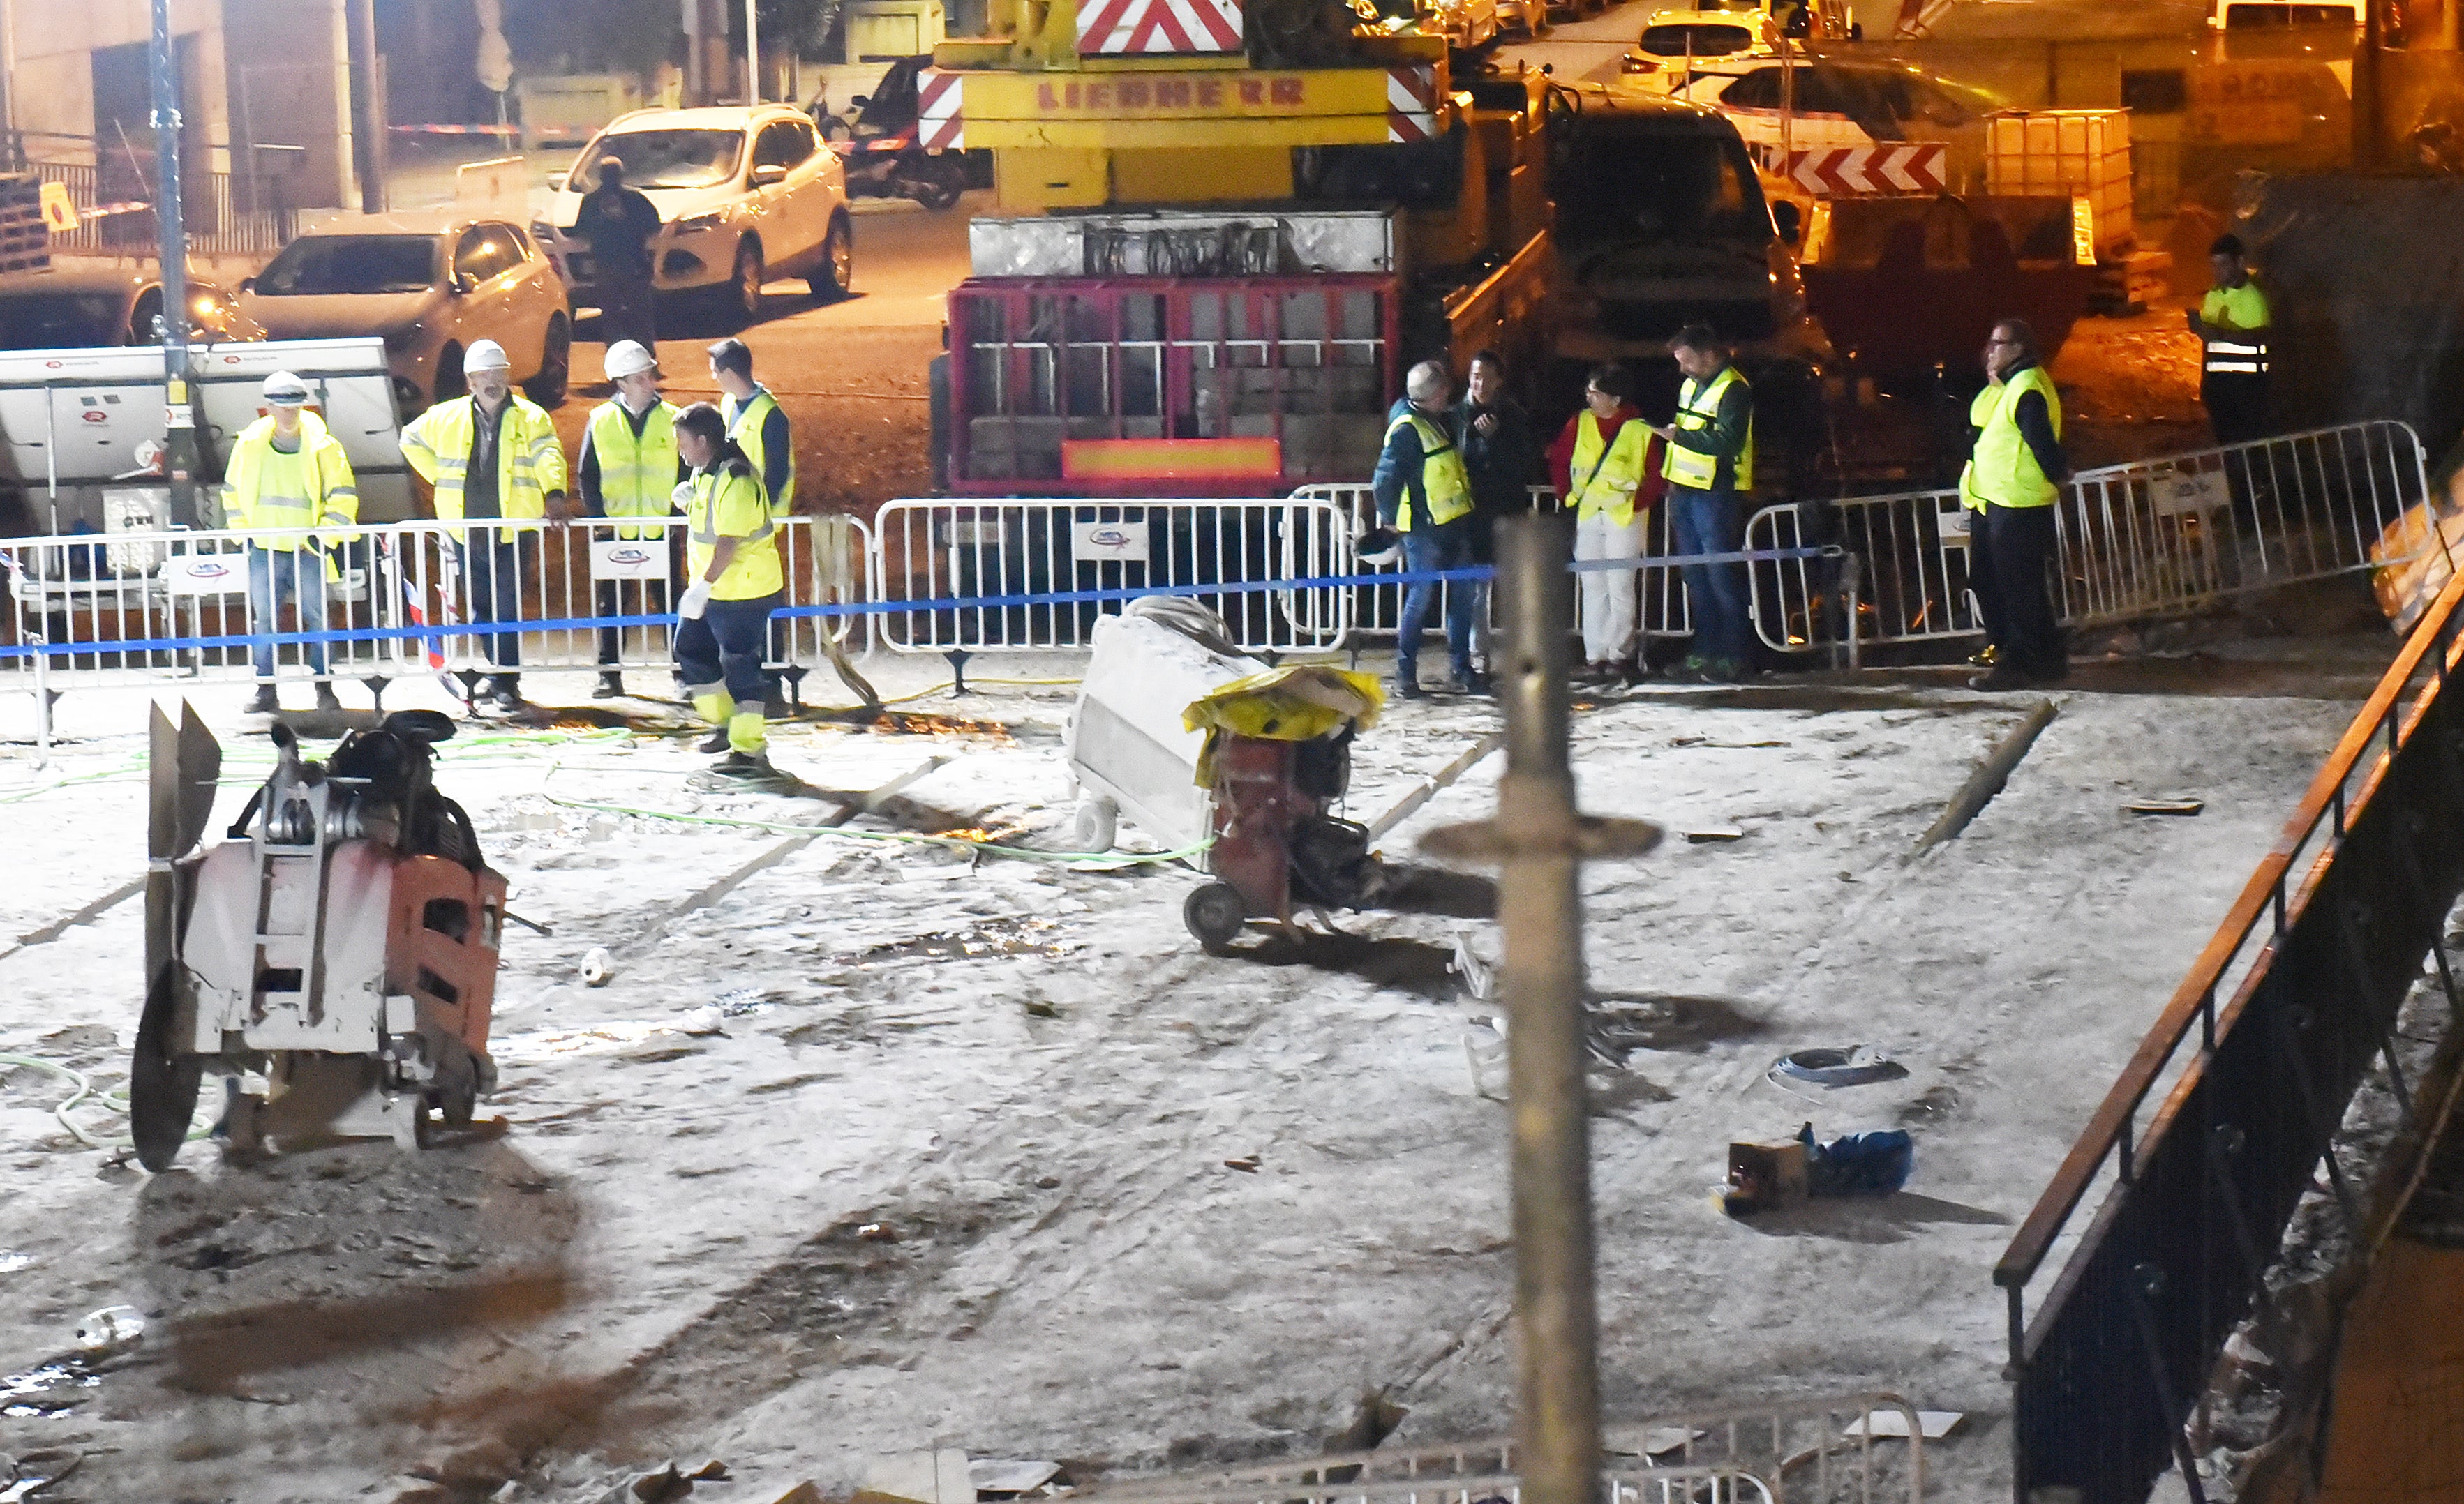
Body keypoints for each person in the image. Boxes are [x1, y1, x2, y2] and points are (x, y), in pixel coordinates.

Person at [400, 338, 572, 711]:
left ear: (507, 376)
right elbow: (409, 437)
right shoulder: (447, 416)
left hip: (511, 527)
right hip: (468, 529)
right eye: (484, 375)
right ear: (470, 380)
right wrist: (440, 476)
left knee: (506, 605)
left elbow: (548, 453)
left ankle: (505, 680)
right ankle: (498, 675)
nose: (492, 381)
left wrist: (554, 492)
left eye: (498, 373)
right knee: (481, 607)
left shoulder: (531, 417)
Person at [222, 370, 359, 715]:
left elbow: (342, 496)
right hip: (266, 549)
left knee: (317, 619)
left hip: (307, 550)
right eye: (282, 407)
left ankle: (324, 689)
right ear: (267, 407)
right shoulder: (249, 445)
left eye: (294, 406)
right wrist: (245, 536)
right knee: (266, 621)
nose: (288, 413)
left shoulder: (324, 446)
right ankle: (266, 690)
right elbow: (232, 492)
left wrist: (320, 538)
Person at [671, 403, 786, 779]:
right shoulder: (710, 472)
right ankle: (728, 727)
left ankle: (749, 751)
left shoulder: (735, 479)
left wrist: (703, 586)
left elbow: (728, 542)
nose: (679, 449)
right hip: (721, 590)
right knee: (690, 650)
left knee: (739, 666)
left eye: (682, 441)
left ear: (703, 441)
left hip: (742, 591)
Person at [1962, 317, 2071, 689]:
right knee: (2007, 583)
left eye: (1999, 343)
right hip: (2002, 500)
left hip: (2017, 502)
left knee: (2016, 588)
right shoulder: (2013, 385)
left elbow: (2042, 442)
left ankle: (2020, 662)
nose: (1990, 349)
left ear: (2019, 349)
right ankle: (2046, 658)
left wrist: (2058, 475)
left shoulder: (2026, 387)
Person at [1646, 325, 1756, 682]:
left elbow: (1728, 442)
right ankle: (1707, 652)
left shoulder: (1735, 390)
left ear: (1709, 356)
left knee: (1721, 577)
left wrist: (1682, 437)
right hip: (1685, 492)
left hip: (1715, 494)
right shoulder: (1692, 385)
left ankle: (1734, 656)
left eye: (1687, 361)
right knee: (1697, 578)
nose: (1682, 370)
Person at [575, 339, 682, 698]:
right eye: (639, 379)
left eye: (649, 376)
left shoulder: (672, 418)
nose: (648, 383)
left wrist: (679, 515)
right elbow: (587, 474)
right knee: (612, 604)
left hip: (660, 529)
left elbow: (687, 470)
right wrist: (599, 520)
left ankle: (684, 674)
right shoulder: (601, 420)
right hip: (615, 530)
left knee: (670, 603)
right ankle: (609, 674)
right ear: (620, 382)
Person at [1371, 360, 1479, 699]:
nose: (1449, 393)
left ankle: (1460, 668)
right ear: (1434, 394)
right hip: (1425, 530)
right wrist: (1389, 519)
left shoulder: (1430, 420)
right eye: (1444, 389)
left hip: (1451, 524)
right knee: (1421, 599)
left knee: (1461, 598)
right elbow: (1385, 480)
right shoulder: (1407, 429)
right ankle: (1407, 673)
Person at [1548, 363, 1661, 683]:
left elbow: (1654, 474)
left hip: (1624, 516)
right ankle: (1595, 654)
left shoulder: (1639, 429)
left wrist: (1637, 503)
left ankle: (1620, 654)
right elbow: (1559, 460)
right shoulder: (1578, 423)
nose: (1589, 397)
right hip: (1588, 515)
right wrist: (1566, 494)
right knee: (1593, 586)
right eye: (1589, 391)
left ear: (1615, 398)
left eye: (1595, 392)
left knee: (1621, 586)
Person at [711, 336, 797, 715]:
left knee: (763, 608)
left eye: (715, 371)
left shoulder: (770, 415)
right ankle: (749, 685)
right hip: (739, 524)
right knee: (740, 611)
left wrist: (753, 513)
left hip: (761, 528)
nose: (712, 377)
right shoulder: (730, 404)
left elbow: (777, 473)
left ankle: (771, 685)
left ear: (729, 373)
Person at [1457, 349, 1541, 677]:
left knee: (1516, 589)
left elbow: (1526, 464)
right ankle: (1477, 656)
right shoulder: (1455, 415)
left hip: (1507, 514)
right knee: (1474, 590)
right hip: (1470, 515)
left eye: (1487, 378)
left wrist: (1495, 441)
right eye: (1475, 376)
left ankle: (1524, 656)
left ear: (1499, 381)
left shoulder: (1514, 417)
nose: (1480, 384)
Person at [2188, 233, 2271, 448]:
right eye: (2213, 266)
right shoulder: (2213, 296)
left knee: (2249, 450)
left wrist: (2216, 334)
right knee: (2228, 450)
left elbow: (2258, 338)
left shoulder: (2252, 297)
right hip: (2219, 389)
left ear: (2240, 262)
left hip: (2248, 391)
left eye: (2223, 264)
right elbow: (2210, 346)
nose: (2217, 271)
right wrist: (2205, 385)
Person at [574, 157, 664, 354]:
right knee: (640, 315)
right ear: (621, 175)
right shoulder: (636, 199)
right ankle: (647, 357)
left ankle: (616, 359)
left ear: (600, 177)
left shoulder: (590, 202)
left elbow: (580, 231)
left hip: (606, 266)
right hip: (635, 265)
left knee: (611, 316)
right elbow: (655, 226)